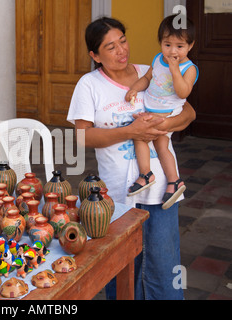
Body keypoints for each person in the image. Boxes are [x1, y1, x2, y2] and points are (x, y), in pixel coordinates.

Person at [67, 16, 196, 300]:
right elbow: (81, 136)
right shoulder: (89, 85)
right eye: (110, 47)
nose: (121, 50)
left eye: (123, 41)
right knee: (121, 267)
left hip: (163, 187)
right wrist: (131, 131)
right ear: (95, 55)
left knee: (164, 265)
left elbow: (188, 112)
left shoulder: (151, 71)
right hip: (118, 192)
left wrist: (163, 126)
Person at [125, 15, 198, 210]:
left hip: (168, 113)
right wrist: (135, 87)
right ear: (160, 43)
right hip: (152, 109)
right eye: (167, 45)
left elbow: (183, 92)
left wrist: (175, 70)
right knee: (154, 143)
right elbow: (148, 78)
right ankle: (171, 181)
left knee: (148, 140)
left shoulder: (188, 68)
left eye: (180, 46)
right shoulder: (158, 59)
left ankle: (151, 176)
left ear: (190, 46)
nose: (172, 51)